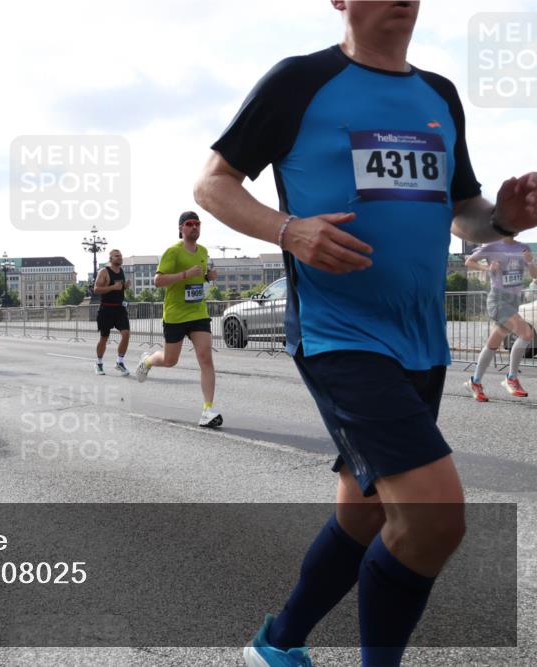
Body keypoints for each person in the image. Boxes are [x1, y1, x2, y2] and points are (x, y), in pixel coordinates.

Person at [194, 2, 537, 665]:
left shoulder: (440, 95)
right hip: (340, 334)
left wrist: (502, 221)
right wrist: (289, 230)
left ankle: (277, 645)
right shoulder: (299, 81)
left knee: (366, 512)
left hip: (421, 340)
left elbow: (462, 212)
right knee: (433, 519)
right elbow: (212, 184)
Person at [135, 211, 222, 428]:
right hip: (175, 314)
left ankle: (208, 410)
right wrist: (185, 274)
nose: (194, 227)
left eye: (197, 223)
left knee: (206, 357)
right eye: (189, 224)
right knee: (170, 360)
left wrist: (207, 277)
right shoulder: (172, 252)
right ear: (181, 228)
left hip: (198, 313)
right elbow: (158, 281)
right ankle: (147, 361)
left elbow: (198, 278)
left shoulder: (203, 251)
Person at [464, 239, 536, 400]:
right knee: (526, 334)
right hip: (498, 300)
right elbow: (469, 261)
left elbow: (535, 275)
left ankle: (475, 381)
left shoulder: (523, 247)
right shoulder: (492, 246)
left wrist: (530, 262)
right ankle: (511, 378)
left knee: (493, 343)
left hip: (514, 301)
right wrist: (487, 267)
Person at [92, 249, 132, 376]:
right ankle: (99, 363)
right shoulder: (104, 271)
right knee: (104, 338)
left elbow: (119, 289)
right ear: (111, 259)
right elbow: (96, 289)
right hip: (106, 309)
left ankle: (119, 362)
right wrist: (112, 287)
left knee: (126, 334)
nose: (120, 257)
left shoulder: (121, 271)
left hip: (119, 309)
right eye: (116, 256)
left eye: (120, 256)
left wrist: (125, 286)